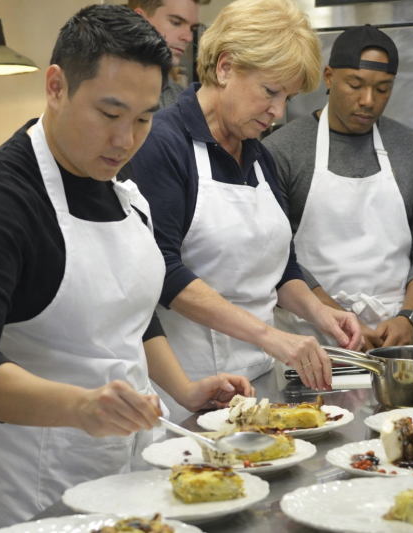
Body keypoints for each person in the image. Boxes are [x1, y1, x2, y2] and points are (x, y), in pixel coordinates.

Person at [0, 6, 253, 532]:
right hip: (23, 481)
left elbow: (130, 312)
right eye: (109, 113)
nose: (126, 140)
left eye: (143, 118)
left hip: (121, 469)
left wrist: (184, 389)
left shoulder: (124, 194)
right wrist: (78, 407)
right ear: (56, 87)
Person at [128, 0, 363, 422]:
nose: (278, 112)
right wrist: (269, 335)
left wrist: (321, 313)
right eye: (270, 91)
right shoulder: (162, 144)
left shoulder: (259, 156)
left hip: (257, 382)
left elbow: (281, 267)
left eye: (288, 97)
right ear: (225, 68)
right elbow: (161, 271)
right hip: (187, 392)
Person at [264, 25, 413, 350]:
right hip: (311, 339)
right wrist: (337, 318)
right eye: (355, 85)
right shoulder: (282, 149)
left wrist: (409, 318)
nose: (368, 101)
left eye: (383, 89)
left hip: (396, 342)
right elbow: (275, 253)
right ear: (329, 77)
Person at [129, 0, 200, 108]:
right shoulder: (105, 84)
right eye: (176, 22)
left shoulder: (183, 102)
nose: (188, 37)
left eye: (192, 29)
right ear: (140, 20)